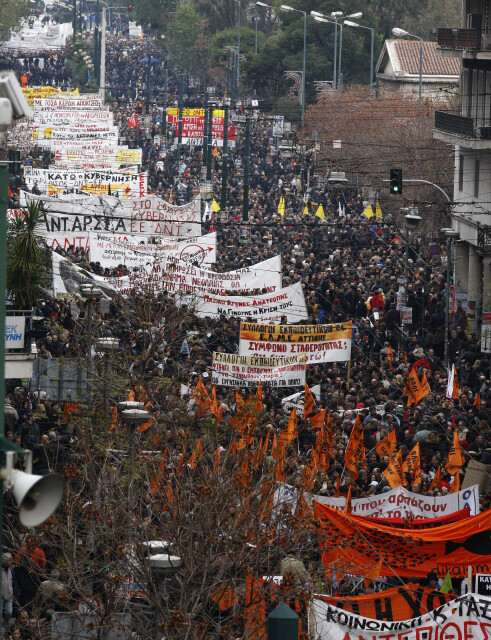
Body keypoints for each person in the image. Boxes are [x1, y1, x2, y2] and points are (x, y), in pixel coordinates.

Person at [2, 553, 14, 625]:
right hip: (1, 596)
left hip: (9, 596)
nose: (11, 561)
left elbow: (13, 582)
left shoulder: (11, 569)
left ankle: (6, 625)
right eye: (10, 559)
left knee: (9, 612)